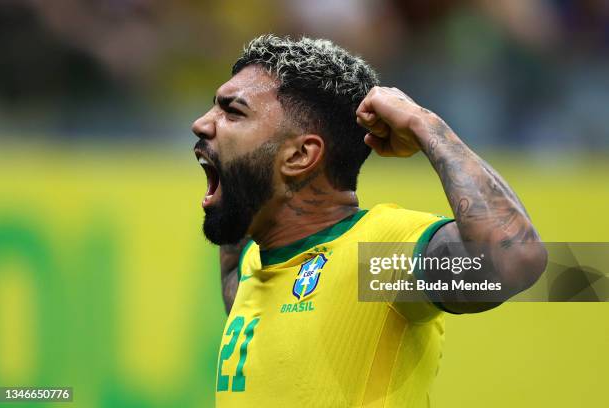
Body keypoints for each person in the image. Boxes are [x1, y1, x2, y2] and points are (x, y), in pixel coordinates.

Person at [191, 35, 546, 407]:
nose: (201, 124)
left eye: (233, 112)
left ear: (300, 155)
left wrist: (425, 126)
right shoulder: (252, 265)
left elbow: (516, 259)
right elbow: (234, 224)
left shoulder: (375, 261)